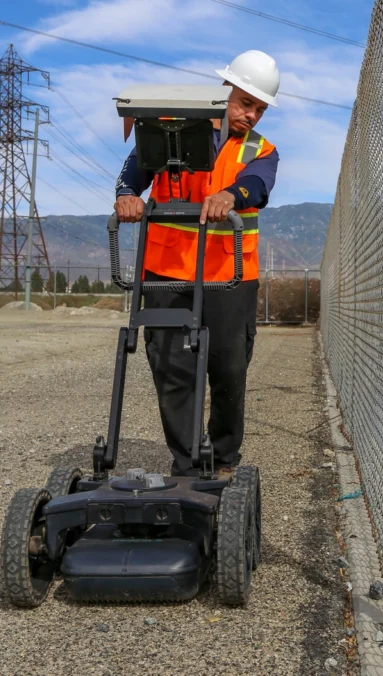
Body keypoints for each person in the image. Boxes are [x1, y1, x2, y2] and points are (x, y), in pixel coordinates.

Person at [113, 50, 280, 476]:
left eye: (260, 108)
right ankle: (186, 465)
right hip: (167, 272)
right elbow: (135, 168)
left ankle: (223, 460)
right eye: (246, 103)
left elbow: (257, 186)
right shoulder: (172, 131)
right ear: (225, 92)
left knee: (228, 367)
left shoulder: (261, 151)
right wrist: (127, 195)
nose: (252, 115)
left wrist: (232, 197)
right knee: (172, 367)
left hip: (230, 276)